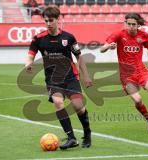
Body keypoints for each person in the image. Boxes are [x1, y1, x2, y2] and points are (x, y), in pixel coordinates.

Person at [25, 6, 92, 149]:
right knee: (58, 102)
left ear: (58, 19)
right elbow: (30, 54)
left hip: (70, 77)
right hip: (53, 79)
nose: (48, 23)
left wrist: (86, 76)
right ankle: (71, 137)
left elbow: (79, 57)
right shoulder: (39, 39)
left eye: (51, 20)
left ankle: (87, 133)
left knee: (78, 107)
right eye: (46, 21)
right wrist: (28, 64)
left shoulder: (68, 37)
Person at [100, 13, 148, 131]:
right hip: (126, 75)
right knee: (137, 99)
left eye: (133, 24)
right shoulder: (119, 34)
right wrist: (108, 47)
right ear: (125, 24)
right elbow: (101, 49)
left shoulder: (144, 35)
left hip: (141, 71)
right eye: (128, 24)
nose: (130, 26)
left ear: (138, 25)